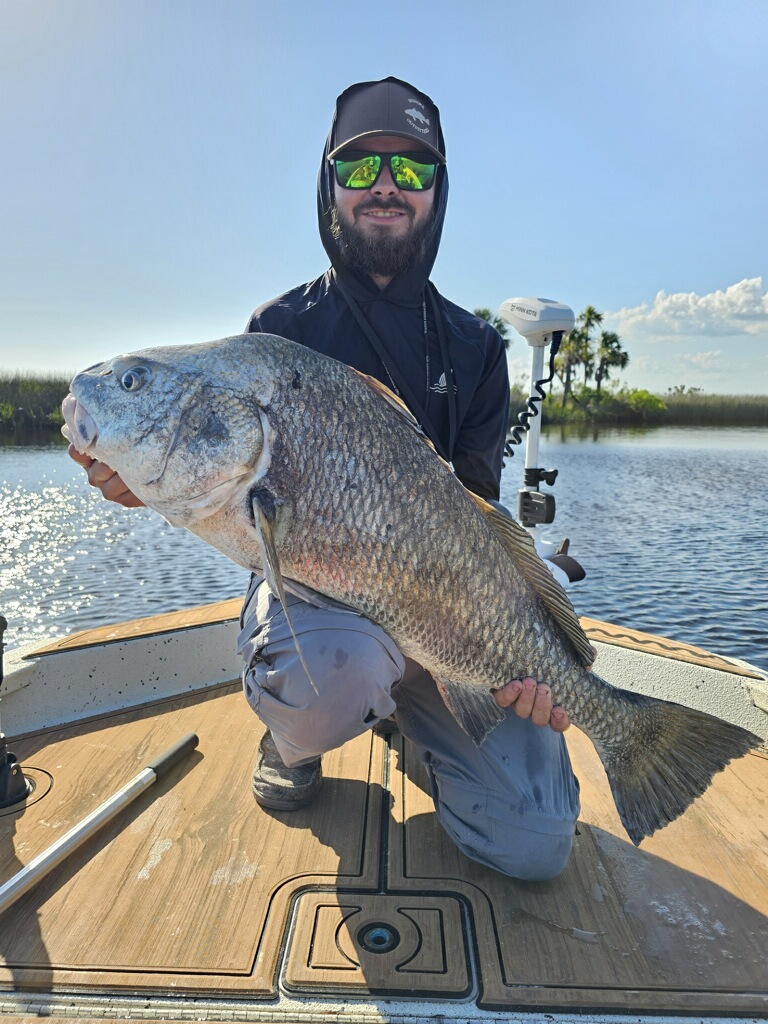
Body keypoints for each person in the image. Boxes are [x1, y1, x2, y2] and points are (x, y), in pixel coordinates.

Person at [69, 77, 580, 880]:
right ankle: (295, 743)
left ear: (439, 189)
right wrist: (140, 480)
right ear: (329, 183)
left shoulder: (478, 349)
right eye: (360, 166)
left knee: (537, 841)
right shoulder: (277, 332)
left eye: (412, 168)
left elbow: (481, 517)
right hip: (319, 609)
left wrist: (532, 658)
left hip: (451, 620)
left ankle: (413, 718)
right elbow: (229, 503)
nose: (386, 185)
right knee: (332, 675)